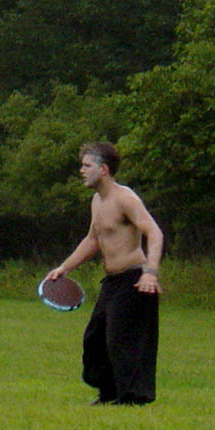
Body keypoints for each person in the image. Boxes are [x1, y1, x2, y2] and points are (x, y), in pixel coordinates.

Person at [45, 142, 164, 405]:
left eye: (87, 166)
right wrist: (64, 268)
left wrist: (150, 273)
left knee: (122, 341)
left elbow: (154, 232)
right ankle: (109, 392)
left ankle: (131, 398)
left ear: (104, 169)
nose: (81, 171)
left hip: (135, 280)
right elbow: (92, 240)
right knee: (95, 339)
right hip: (112, 282)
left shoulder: (125, 198)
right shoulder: (97, 201)